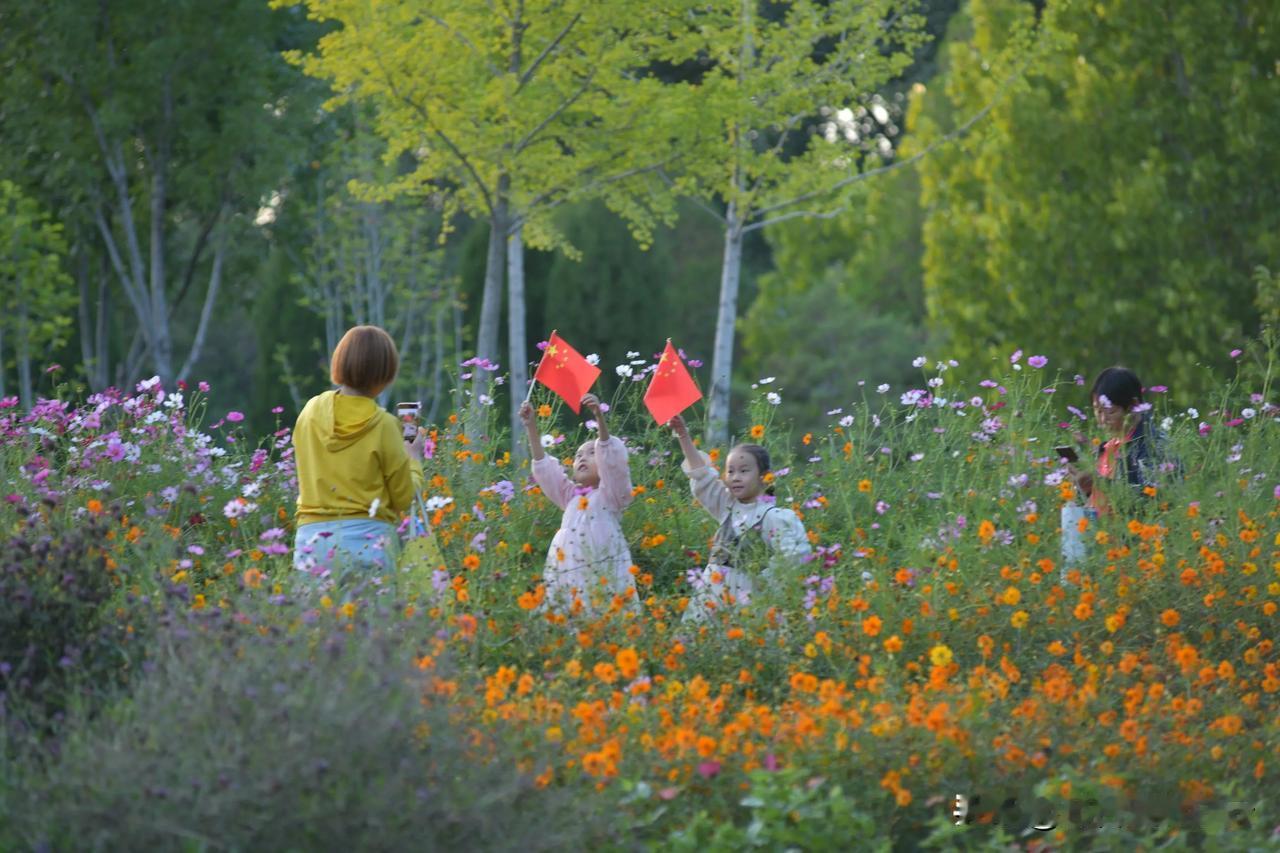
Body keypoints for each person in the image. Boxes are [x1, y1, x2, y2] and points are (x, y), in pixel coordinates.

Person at [292, 325, 427, 582]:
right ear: (386, 374)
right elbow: (404, 499)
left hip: (312, 543)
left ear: (339, 361)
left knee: (317, 622)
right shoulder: (385, 425)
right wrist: (413, 457)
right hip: (369, 543)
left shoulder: (310, 412)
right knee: (371, 622)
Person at [668, 415, 811, 624]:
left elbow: (796, 555)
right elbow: (702, 476)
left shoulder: (772, 516)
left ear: (764, 476)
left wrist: (766, 578)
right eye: (731, 471)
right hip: (711, 595)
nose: (735, 477)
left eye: (744, 471)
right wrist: (682, 434)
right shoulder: (727, 505)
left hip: (746, 599)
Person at [519, 393, 639, 618]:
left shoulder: (610, 495)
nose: (582, 458)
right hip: (569, 569)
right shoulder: (570, 496)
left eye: (592, 453)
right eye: (578, 455)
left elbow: (613, 462)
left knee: (602, 609)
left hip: (600, 564)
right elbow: (544, 469)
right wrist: (531, 427)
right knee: (569, 612)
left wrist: (599, 418)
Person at [1060, 366, 1178, 572]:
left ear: (1133, 406)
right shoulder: (1108, 447)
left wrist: (1099, 483)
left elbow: (1152, 501)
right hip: (1106, 557)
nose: (1102, 419)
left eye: (1110, 411)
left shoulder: (1153, 445)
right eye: (1097, 411)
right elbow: (1099, 500)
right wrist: (1086, 485)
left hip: (1142, 559)